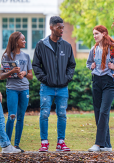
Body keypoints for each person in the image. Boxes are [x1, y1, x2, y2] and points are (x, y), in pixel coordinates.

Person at [32, 16, 76, 152]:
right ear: (51, 27)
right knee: (44, 114)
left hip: (63, 88)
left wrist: (66, 78)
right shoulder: (41, 45)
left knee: (62, 114)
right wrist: (45, 79)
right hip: (47, 87)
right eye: (59, 27)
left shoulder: (67, 46)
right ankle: (44, 143)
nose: (62, 30)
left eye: (62, 27)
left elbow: (71, 65)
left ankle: (61, 143)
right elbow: (35, 65)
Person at [86, 25, 114, 152]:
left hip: (109, 82)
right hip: (96, 81)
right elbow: (88, 63)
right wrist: (91, 66)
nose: (94, 36)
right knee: (98, 113)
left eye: (96, 33)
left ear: (104, 33)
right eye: (93, 34)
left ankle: (98, 144)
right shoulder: (94, 49)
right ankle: (106, 145)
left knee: (104, 112)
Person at [0, 31, 32, 152]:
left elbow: (31, 75)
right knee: (12, 116)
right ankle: (7, 146)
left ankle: (16, 145)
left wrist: (24, 73)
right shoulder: (6, 56)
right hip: (12, 89)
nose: (24, 41)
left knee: (21, 117)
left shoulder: (26, 56)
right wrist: (11, 72)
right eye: (22, 40)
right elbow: (1, 76)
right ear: (16, 42)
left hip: (24, 89)